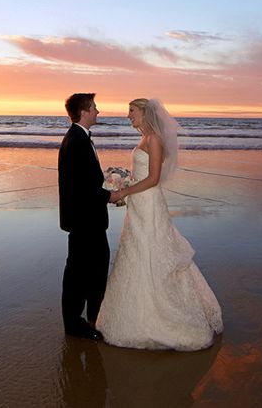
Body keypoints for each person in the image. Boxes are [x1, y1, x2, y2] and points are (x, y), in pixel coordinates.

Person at [95, 98, 223, 350]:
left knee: (150, 250)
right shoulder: (146, 138)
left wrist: (123, 191)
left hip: (149, 204)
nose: (128, 115)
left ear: (145, 112)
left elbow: (153, 179)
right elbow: (142, 174)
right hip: (139, 203)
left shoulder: (154, 139)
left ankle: (162, 316)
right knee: (137, 251)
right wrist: (124, 181)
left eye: (132, 111)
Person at [58, 93, 112, 340]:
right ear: (84, 112)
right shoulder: (77, 141)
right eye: (94, 107)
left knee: (92, 269)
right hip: (85, 220)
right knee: (81, 273)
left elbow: (86, 179)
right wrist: (111, 195)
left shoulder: (79, 137)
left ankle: (91, 318)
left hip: (86, 219)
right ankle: (76, 324)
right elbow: (84, 188)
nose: (98, 111)